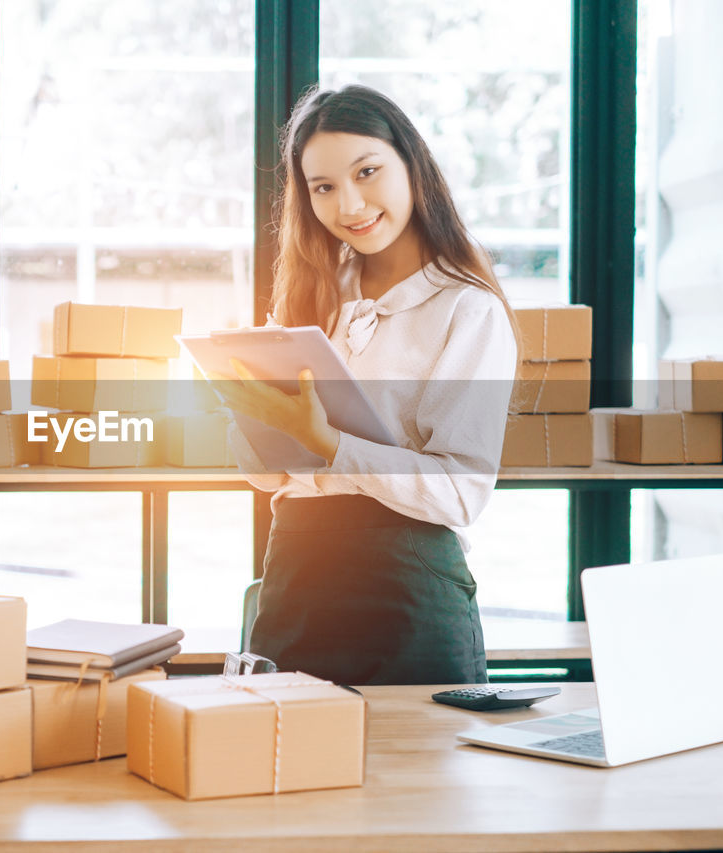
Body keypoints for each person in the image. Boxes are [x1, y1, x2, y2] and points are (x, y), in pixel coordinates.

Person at [209, 84, 519, 685]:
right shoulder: (309, 296)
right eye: (323, 187)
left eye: (367, 171)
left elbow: (462, 494)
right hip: (295, 573)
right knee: (283, 767)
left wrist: (329, 443)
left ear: (413, 165)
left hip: (408, 588)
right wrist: (246, 414)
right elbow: (272, 477)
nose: (348, 204)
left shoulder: (466, 310)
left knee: (414, 775)